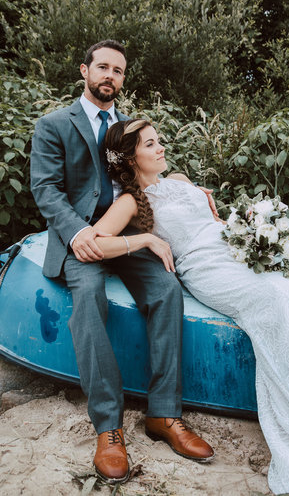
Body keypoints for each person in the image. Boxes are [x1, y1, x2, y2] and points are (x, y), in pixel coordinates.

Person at [92, 117, 289, 496]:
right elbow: (93, 243)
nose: (162, 148)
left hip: (233, 252)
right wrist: (143, 241)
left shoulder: (182, 182)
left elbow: (214, 222)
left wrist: (248, 226)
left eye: (160, 141)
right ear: (130, 158)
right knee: (280, 300)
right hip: (206, 269)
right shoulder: (128, 203)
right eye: (151, 145)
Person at [30, 40, 214, 485]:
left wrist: (190, 190)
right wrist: (79, 235)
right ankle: (108, 427)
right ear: (85, 71)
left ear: (123, 78)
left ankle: (164, 414)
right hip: (80, 239)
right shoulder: (54, 124)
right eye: (103, 67)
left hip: (129, 231)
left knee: (167, 290)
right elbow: (46, 189)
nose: (110, 75)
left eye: (118, 70)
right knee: (90, 297)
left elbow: (149, 171)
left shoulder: (126, 126)